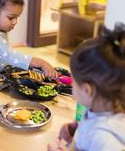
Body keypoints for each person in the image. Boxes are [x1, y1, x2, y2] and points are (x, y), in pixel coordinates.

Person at [47, 23, 125, 151]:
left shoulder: (103, 137)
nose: (72, 84)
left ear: (88, 90)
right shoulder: (100, 108)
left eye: (75, 81)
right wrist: (77, 129)